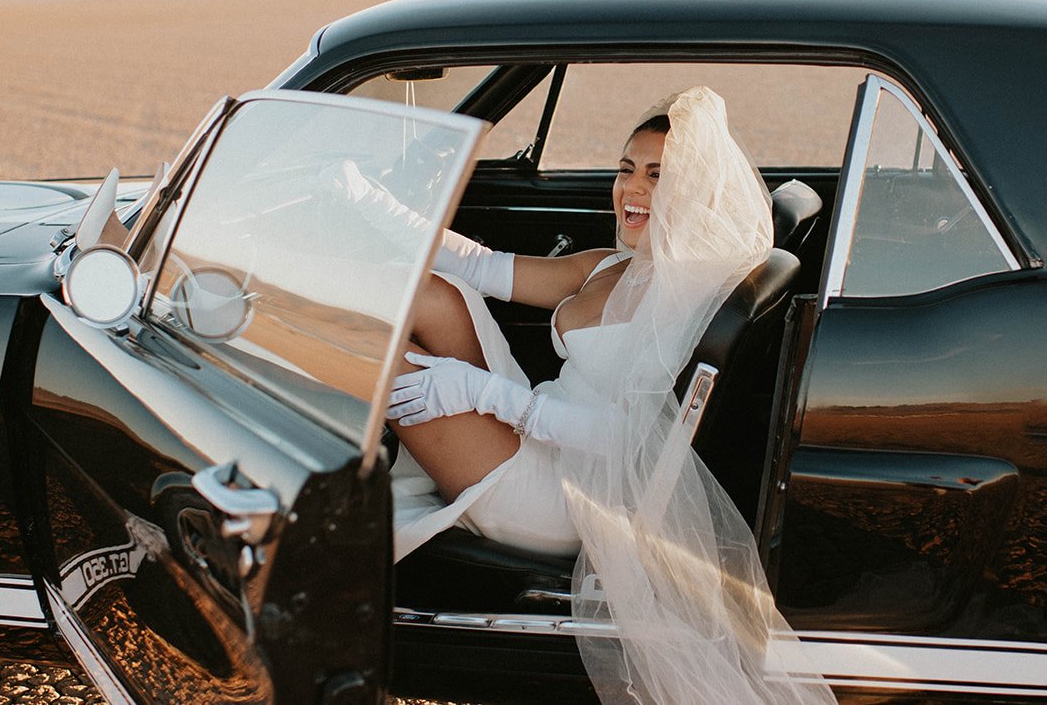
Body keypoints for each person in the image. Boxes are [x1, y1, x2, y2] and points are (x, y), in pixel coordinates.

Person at [346, 86, 834, 705]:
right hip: (533, 424)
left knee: (371, 348)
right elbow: (485, 266)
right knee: (430, 292)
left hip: (567, 493)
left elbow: (627, 440)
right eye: (626, 169)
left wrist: (482, 392)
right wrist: (365, 199)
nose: (632, 189)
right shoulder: (610, 263)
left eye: (658, 176)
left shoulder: (688, 296)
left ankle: (300, 500)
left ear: (697, 192)